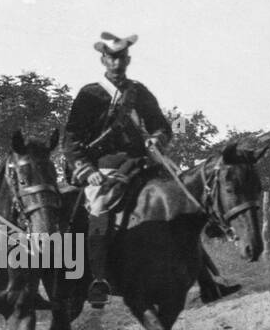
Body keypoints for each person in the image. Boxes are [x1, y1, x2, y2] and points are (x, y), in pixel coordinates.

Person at [61, 32, 240, 308]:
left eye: (121, 57)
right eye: (111, 57)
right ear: (103, 59)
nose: (116, 62)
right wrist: (86, 170)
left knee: (181, 204)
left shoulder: (138, 92)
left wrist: (156, 138)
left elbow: (161, 125)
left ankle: (207, 282)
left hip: (140, 165)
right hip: (103, 169)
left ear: (128, 59)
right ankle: (98, 280)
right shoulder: (90, 94)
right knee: (98, 209)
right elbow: (71, 139)